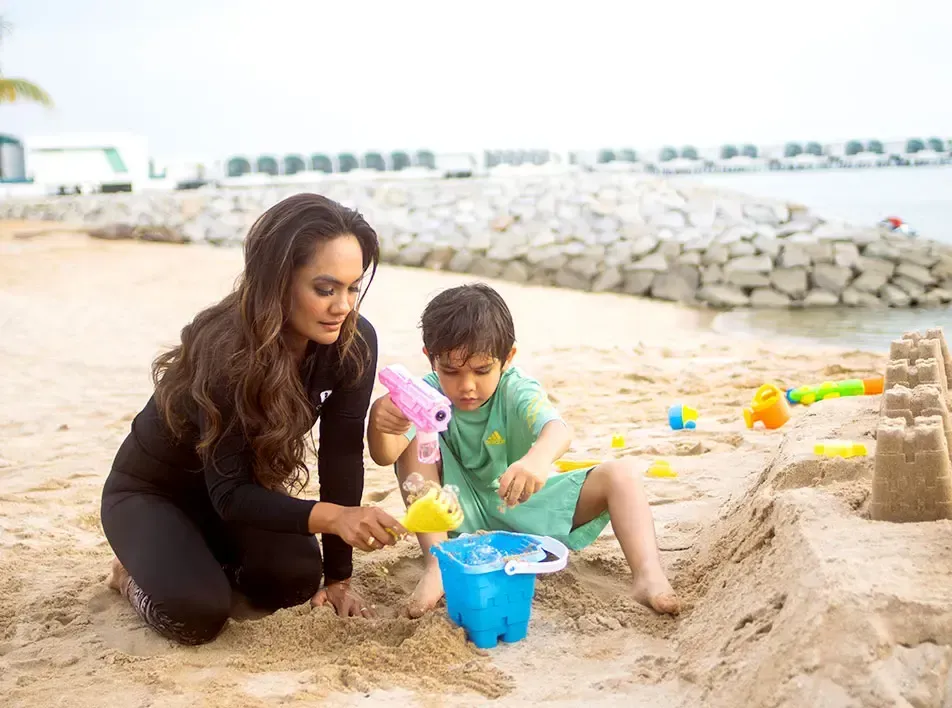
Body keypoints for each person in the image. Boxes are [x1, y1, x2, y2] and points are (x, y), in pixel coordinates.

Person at [100, 193, 408, 646]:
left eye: (352, 287)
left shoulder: (353, 341)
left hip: (235, 491)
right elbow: (229, 495)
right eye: (325, 289)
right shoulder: (227, 351)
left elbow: (342, 454)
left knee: (295, 581)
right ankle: (131, 575)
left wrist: (339, 576)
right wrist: (335, 517)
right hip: (153, 495)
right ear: (278, 282)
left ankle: (191, 560)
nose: (342, 306)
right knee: (198, 616)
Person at [367, 282, 681, 619]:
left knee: (621, 475)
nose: (467, 385)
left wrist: (537, 460)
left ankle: (648, 574)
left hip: (522, 504)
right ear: (431, 358)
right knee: (416, 435)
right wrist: (380, 422)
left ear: (507, 358)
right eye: (452, 371)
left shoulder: (515, 388)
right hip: (454, 516)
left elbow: (557, 430)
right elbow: (387, 455)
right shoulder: (424, 394)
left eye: (482, 370)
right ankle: (438, 563)